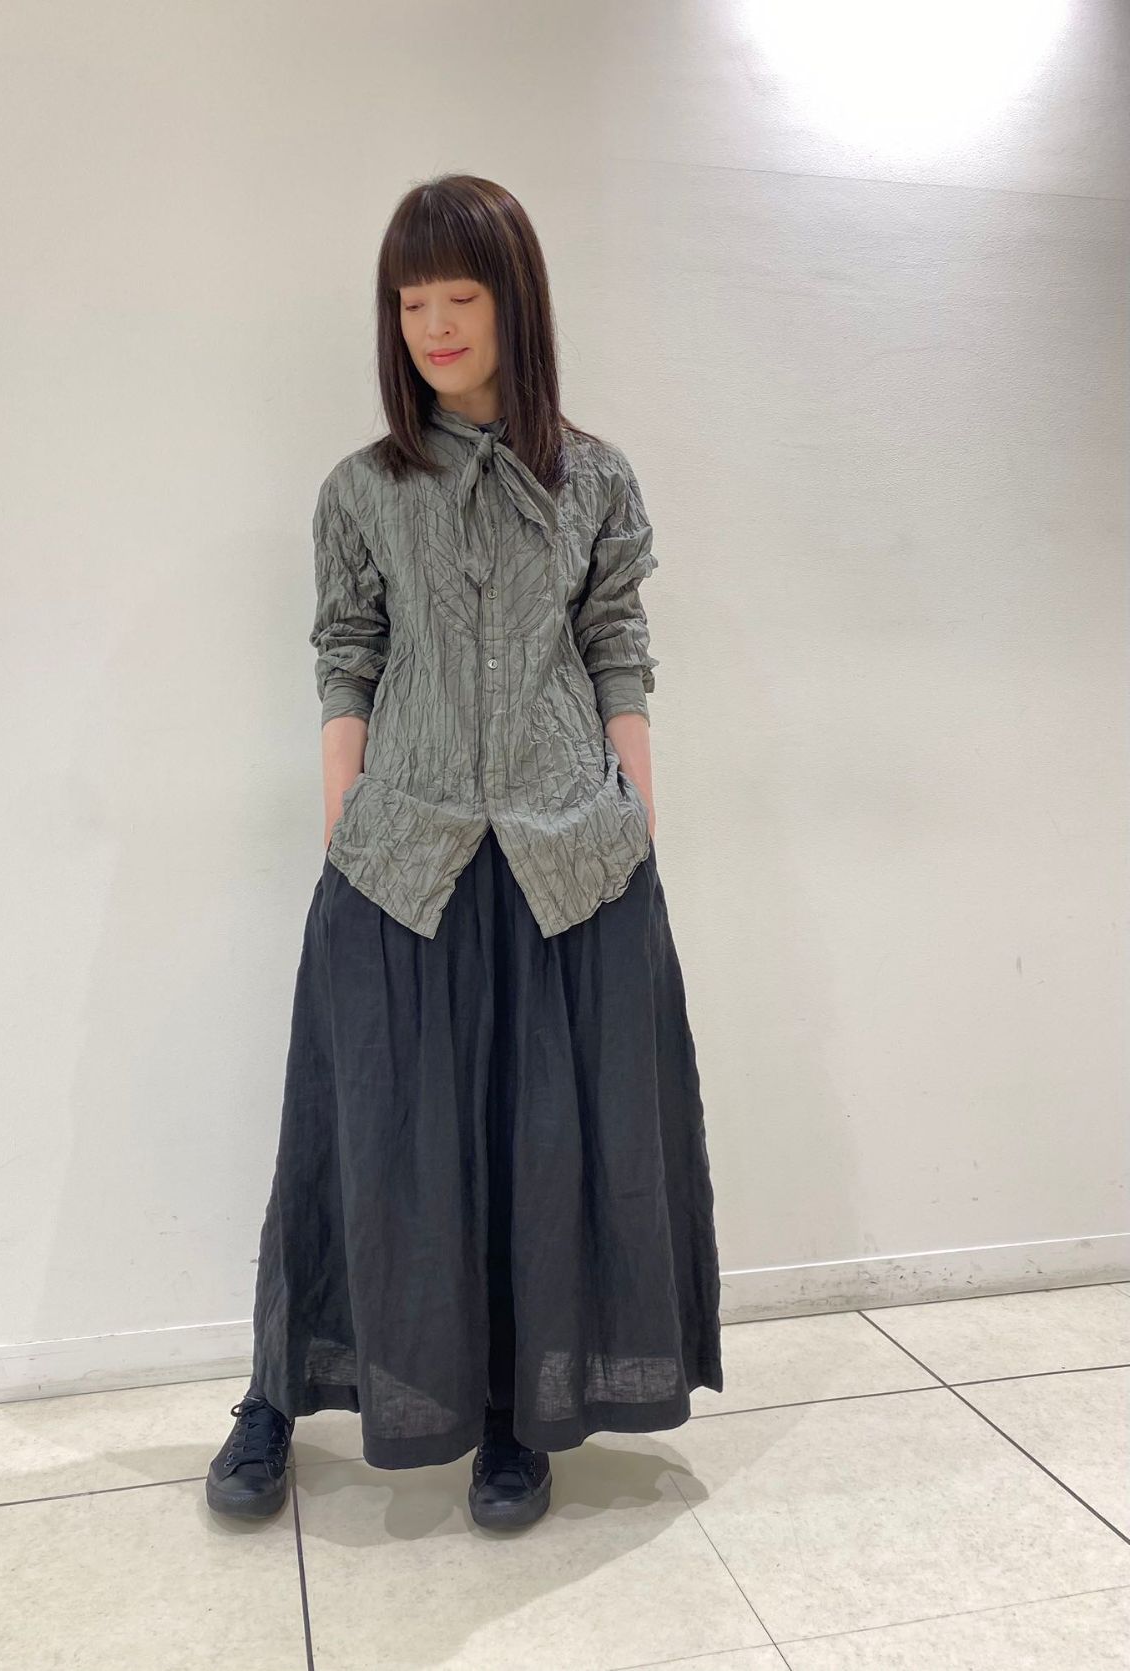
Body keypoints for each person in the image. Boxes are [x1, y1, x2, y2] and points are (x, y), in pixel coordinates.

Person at [206, 173, 723, 1533]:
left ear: (513, 305)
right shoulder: (363, 489)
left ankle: (515, 1415)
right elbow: (347, 655)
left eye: (459, 295)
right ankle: (273, 1393)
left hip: (570, 863)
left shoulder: (593, 478)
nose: (433, 324)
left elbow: (616, 644)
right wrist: (345, 823)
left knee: (541, 1149)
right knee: (357, 1141)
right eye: (410, 301)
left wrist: (635, 815)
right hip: (402, 862)